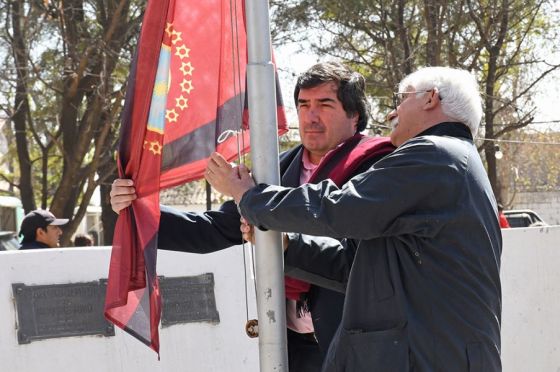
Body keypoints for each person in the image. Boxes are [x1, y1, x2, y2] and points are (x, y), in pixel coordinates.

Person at [206, 66, 502, 371]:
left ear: (430, 99)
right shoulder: (454, 160)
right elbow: (358, 261)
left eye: (401, 100)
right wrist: (288, 245)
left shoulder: (434, 154)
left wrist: (251, 196)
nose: (392, 114)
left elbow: (340, 207)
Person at [110, 61, 394, 371]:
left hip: (351, 340)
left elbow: (356, 256)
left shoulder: (379, 166)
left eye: (325, 104)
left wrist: (264, 214)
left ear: (354, 114)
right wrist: (138, 211)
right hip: (287, 343)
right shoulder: (274, 167)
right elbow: (216, 230)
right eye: (303, 104)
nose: (311, 117)